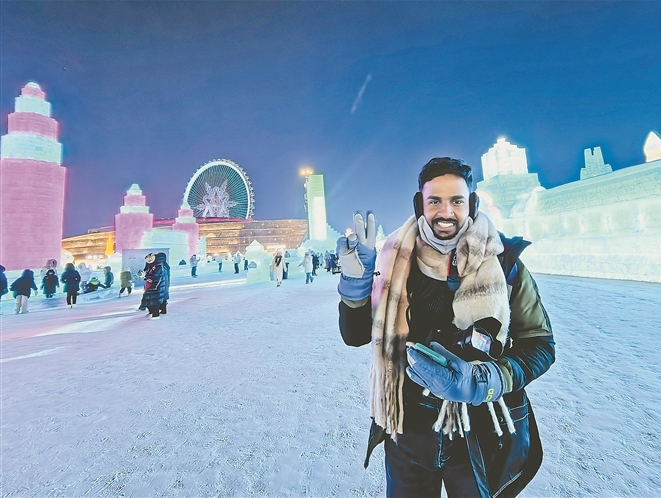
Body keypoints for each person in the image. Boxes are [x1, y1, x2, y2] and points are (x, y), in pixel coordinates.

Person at [336, 157, 555, 498]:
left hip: (481, 432)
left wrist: (484, 381)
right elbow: (355, 336)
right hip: (406, 429)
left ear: (472, 204)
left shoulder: (505, 263)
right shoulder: (394, 261)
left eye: (457, 201)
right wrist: (354, 289)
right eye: (435, 201)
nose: (446, 212)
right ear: (419, 204)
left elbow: (540, 345)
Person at [140, 252, 166, 318]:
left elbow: (157, 276)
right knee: (148, 300)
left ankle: (156, 314)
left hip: (156, 286)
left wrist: (146, 277)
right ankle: (152, 312)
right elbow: (146, 273)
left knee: (154, 301)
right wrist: (144, 275)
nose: (149, 261)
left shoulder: (159, 266)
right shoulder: (150, 266)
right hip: (149, 286)